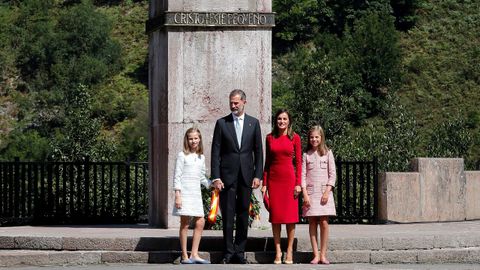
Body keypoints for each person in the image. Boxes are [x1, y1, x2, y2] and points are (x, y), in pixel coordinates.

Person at [211, 89, 263, 264]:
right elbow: (215, 152)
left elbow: (258, 152)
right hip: (226, 177)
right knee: (227, 214)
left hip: (246, 176)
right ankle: (228, 251)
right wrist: (216, 177)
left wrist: (258, 175)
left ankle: (240, 252)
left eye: (236, 103)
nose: (233, 105)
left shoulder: (253, 123)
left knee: (242, 214)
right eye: (231, 102)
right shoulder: (222, 123)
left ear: (244, 102)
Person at [261, 108, 302, 264]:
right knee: (276, 218)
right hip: (274, 180)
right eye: (279, 119)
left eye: (284, 119)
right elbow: (267, 163)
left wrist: (298, 184)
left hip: (289, 180)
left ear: (289, 121)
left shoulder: (295, 138)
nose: (282, 122)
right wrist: (265, 183)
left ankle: (289, 251)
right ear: (275, 121)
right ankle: (278, 251)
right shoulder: (269, 138)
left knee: (291, 218)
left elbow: (298, 162)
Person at [172, 127, 211, 264]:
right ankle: (184, 255)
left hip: (196, 193)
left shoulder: (201, 157)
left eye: (196, 138)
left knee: (201, 221)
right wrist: (178, 194)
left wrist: (212, 184)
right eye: (191, 138)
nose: (193, 141)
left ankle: (194, 253)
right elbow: (177, 176)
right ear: (187, 140)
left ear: (199, 139)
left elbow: (201, 177)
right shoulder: (182, 155)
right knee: (185, 223)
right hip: (184, 192)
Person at [301, 125, 336, 265]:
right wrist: (305, 195)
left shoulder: (328, 153)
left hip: (324, 193)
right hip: (310, 194)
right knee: (312, 222)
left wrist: (327, 191)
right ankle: (315, 254)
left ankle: (323, 254)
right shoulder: (306, 154)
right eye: (311, 137)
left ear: (321, 138)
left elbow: (332, 174)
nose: (314, 139)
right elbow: (302, 176)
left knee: (324, 222)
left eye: (316, 137)